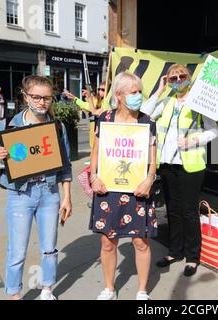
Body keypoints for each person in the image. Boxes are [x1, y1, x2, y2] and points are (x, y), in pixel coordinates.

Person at [0, 75, 73, 300]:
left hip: (49, 193)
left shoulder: (57, 126)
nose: (42, 102)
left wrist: (67, 198)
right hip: (20, 194)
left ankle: (47, 288)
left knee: (49, 247)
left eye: (47, 98)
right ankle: (14, 294)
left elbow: (65, 165)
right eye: (36, 97)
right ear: (25, 96)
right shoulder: (9, 125)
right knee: (16, 249)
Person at [141, 64, 218, 277]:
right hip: (167, 164)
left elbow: (213, 131)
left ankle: (193, 257)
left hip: (191, 165)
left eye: (181, 76)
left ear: (189, 78)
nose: (177, 80)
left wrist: (193, 140)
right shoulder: (165, 101)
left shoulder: (200, 102)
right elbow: (143, 116)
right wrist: (159, 91)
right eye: (172, 78)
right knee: (172, 210)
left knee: (189, 212)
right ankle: (174, 251)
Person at [89, 71, 157, 300]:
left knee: (140, 241)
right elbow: (96, 152)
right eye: (133, 92)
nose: (138, 96)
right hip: (107, 190)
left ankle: (142, 290)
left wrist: (149, 179)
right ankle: (109, 287)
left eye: (140, 91)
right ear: (119, 95)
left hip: (138, 190)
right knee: (108, 242)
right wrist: (94, 177)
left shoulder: (148, 122)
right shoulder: (105, 119)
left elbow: (152, 160)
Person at [64, 82, 109, 148]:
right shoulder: (98, 100)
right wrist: (74, 98)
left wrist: (90, 98)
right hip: (94, 128)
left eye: (103, 90)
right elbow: (86, 105)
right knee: (93, 146)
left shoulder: (108, 103)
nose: (100, 91)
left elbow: (95, 112)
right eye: (99, 89)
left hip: (104, 131)